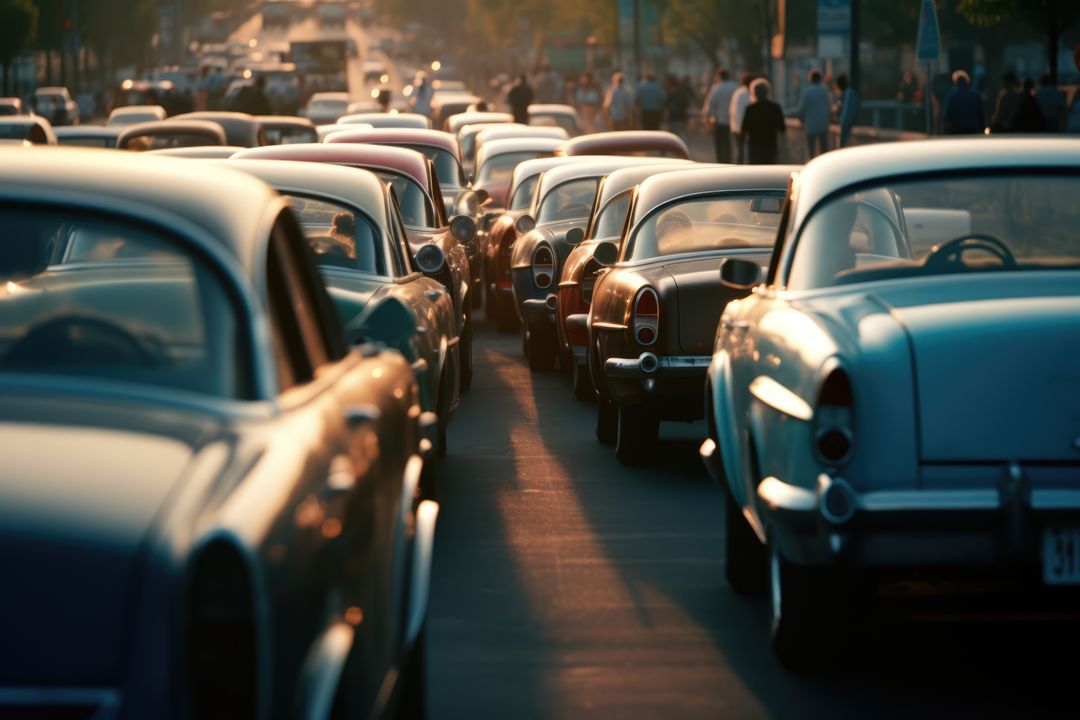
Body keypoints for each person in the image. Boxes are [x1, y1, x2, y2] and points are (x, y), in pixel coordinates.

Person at [741, 79, 785, 165]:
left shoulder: (750, 109)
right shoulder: (775, 108)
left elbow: (744, 129)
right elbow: (782, 128)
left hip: (754, 148)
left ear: (754, 93)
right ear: (768, 92)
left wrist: (741, 149)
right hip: (770, 147)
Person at [791, 69, 830, 159]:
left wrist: (801, 120)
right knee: (824, 151)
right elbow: (829, 107)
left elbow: (800, 110)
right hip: (823, 124)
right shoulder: (824, 91)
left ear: (810, 79)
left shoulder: (807, 92)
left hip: (810, 125)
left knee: (811, 151)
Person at [703, 68, 738, 163]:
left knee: (720, 142)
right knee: (730, 142)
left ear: (719, 77)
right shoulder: (735, 86)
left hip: (720, 120)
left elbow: (711, 104)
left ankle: (721, 160)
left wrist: (708, 118)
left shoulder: (717, 88)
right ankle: (730, 159)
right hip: (734, 120)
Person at [942, 70, 985, 135]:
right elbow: (981, 113)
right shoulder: (976, 95)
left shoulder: (951, 96)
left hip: (957, 130)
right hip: (973, 129)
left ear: (955, 82)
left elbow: (946, 115)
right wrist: (983, 127)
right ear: (967, 81)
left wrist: (946, 130)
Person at [729, 72, 755, 162]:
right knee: (744, 152)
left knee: (740, 151)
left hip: (736, 126)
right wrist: (746, 130)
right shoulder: (747, 94)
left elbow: (733, 110)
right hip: (742, 127)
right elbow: (742, 112)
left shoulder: (738, 92)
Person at [663, 74, 690, 140]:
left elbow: (666, 108)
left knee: (671, 139)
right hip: (680, 119)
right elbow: (687, 106)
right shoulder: (681, 92)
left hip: (674, 120)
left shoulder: (670, 94)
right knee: (680, 138)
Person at [835, 73, 859, 148]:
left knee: (842, 146)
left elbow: (846, 111)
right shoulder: (848, 93)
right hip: (847, 123)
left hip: (846, 124)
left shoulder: (848, 93)